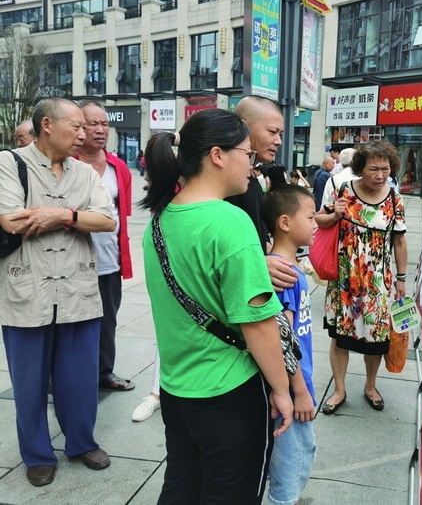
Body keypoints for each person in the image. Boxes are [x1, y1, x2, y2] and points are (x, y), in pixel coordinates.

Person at [140, 108, 294, 504]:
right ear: (217, 155)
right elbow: (257, 323)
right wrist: (281, 389)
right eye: (246, 152)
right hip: (229, 394)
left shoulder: (159, 220)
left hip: (177, 390)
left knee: (181, 487)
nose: (252, 163)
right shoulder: (230, 222)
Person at [0, 97, 116, 486]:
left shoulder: (84, 173)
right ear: (47, 124)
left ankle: (81, 442)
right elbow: (12, 221)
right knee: (29, 382)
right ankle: (36, 453)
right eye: (78, 127)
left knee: (80, 378)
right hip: (25, 289)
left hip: (78, 291)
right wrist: (78, 217)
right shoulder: (9, 164)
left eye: (87, 127)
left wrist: (62, 214)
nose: (85, 135)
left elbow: (107, 220)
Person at [316, 141, 408, 414]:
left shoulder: (394, 199)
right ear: (360, 169)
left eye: (386, 169)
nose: (381, 175)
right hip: (344, 279)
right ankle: (339, 390)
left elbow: (400, 242)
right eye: (374, 169)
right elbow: (318, 220)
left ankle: (370, 385)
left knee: (376, 338)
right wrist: (335, 214)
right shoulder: (341, 189)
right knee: (339, 336)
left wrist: (401, 279)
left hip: (377, 282)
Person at [261, 184, 317, 505]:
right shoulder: (284, 275)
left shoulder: (291, 268)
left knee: (298, 457)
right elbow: (283, 340)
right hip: (293, 391)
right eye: (309, 216)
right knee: (290, 468)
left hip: (299, 384)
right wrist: (299, 390)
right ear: (284, 222)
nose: (315, 223)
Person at [77, 100, 135, 392]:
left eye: (105, 124)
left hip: (109, 258)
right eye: (92, 124)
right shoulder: (68, 162)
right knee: (71, 323)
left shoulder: (119, 167)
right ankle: (66, 376)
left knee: (107, 320)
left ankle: (104, 373)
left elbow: (121, 214)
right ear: (78, 126)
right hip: (73, 259)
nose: (100, 130)